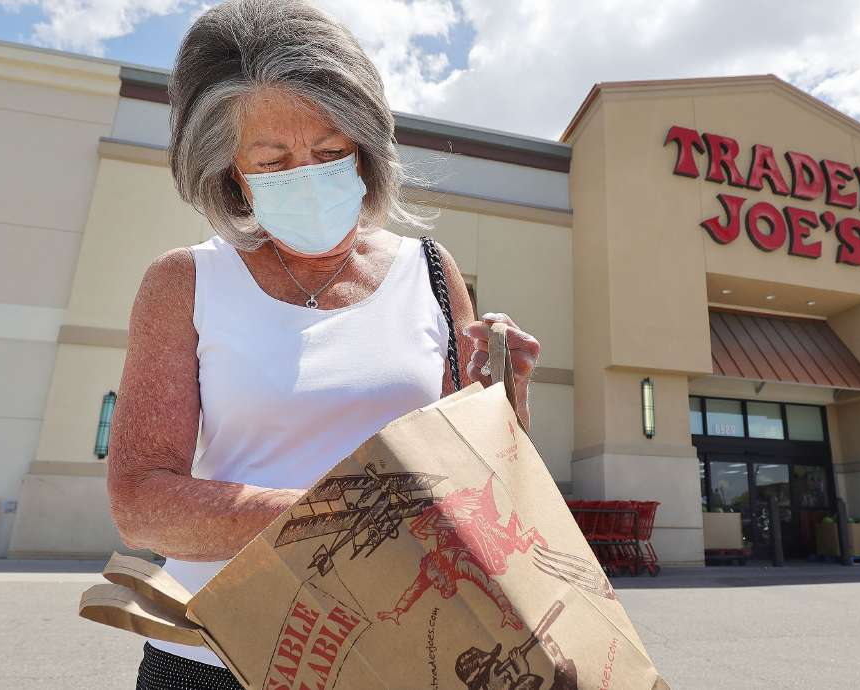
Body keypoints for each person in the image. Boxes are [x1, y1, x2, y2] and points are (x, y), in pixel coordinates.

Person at [105, 1, 541, 687]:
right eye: (274, 161)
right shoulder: (184, 282)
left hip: (401, 655)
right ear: (232, 173)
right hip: (214, 657)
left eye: (332, 153)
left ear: (367, 153)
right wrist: (350, 515)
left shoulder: (429, 270)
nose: (307, 174)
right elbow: (140, 504)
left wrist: (509, 402)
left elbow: (483, 480)